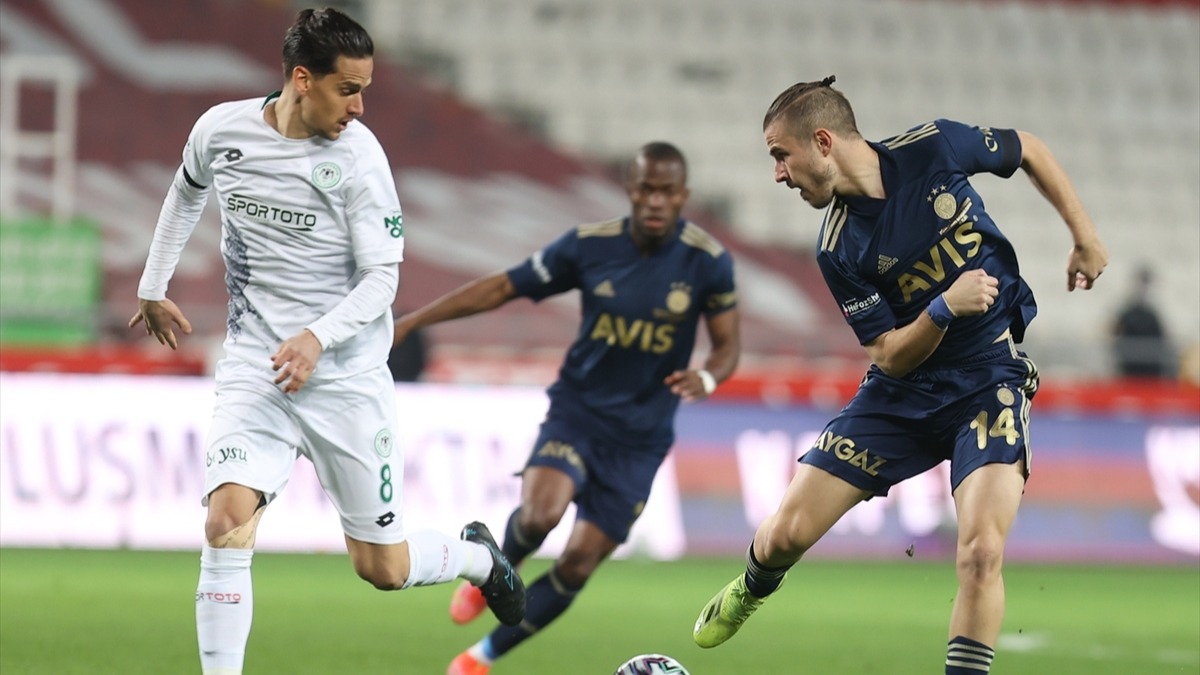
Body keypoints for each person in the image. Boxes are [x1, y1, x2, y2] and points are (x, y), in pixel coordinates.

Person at [127, 9, 525, 674]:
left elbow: (383, 280)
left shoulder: (360, 159)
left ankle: (478, 558)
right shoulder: (222, 130)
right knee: (225, 522)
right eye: (348, 89)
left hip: (345, 379)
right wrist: (152, 284)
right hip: (257, 367)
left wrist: (316, 337)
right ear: (303, 80)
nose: (359, 107)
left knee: (383, 567)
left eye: (364, 90)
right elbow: (186, 190)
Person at [691, 76, 1108, 675]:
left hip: (988, 379)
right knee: (785, 535)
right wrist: (943, 308)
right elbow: (888, 354)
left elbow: (1030, 149)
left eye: (781, 155)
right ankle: (752, 586)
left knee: (981, 553)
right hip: (899, 393)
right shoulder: (838, 248)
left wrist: (1084, 237)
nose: (778, 174)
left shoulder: (934, 148)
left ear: (823, 142)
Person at [389, 141, 741, 675]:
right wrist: (415, 321)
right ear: (630, 189)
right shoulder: (590, 246)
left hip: (640, 439)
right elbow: (504, 286)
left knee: (577, 564)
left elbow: (728, 346)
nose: (655, 200)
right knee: (540, 514)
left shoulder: (707, 262)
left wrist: (709, 376)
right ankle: (493, 572)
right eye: (646, 188)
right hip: (578, 414)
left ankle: (479, 658)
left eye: (667, 191)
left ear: (683, 195)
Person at [1111, 265, 1171, 378]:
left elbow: (1162, 340)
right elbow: (1115, 334)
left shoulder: (1153, 316)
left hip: (1151, 372)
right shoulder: (1127, 314)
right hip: (1129, 370)